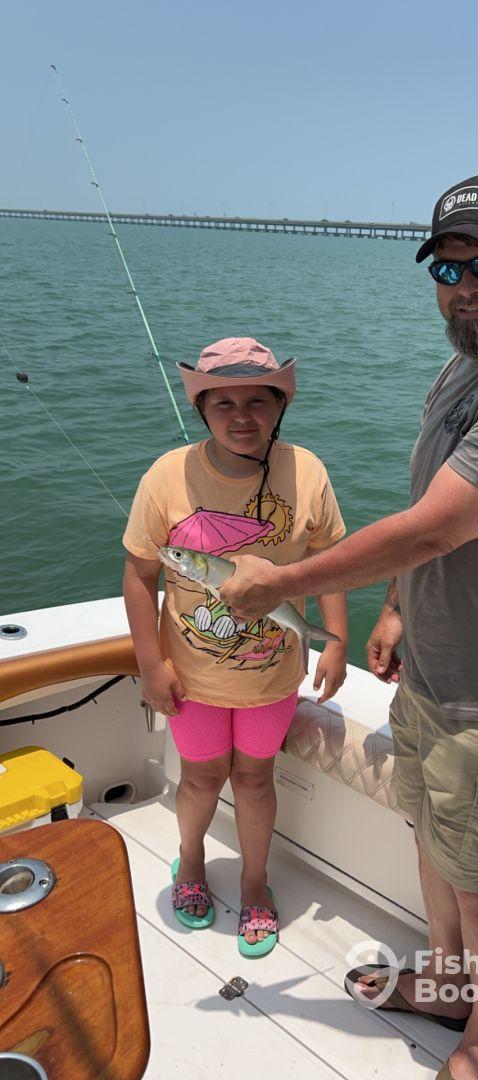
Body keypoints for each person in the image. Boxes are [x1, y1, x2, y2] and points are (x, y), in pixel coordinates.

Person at [219, 178, 478, 1076]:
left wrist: (278, 583)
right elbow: (432, 501)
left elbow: (435, 527)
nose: (465, 286)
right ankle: (446, 982)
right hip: (435, 666)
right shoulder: (467, 362)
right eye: (446, 268)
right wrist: (395, 606)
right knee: (432, 838)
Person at [123, 336, 347, 957]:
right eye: (223, 402)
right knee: (199, 780)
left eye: (257, 401)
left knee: (254, 780)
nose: (241, 416)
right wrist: (150, 665)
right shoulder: (167, 476)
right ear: (201, 409)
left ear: (280, 406)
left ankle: (254, 880)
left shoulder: (308, 471)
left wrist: (336, 641)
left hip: (272, 676)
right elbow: (139, 575)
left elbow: (329, 561)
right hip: (191, 677)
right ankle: (191, 859)